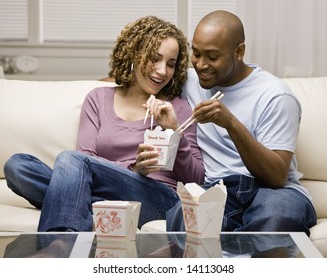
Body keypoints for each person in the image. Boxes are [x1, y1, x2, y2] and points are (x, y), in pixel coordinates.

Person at [3, 16, 204, 232]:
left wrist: (174, 131)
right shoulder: (98, 99)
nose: (162, 70)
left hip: (156, 198)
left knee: (70, 160)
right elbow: (86, 158)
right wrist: (134, 168)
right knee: (18, 166)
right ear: (134, 54)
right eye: (154, 59)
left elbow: (196, 178)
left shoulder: (176, 108)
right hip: (100, 188)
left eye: (170, 64)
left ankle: (60, 243)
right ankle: (84, 206)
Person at [166, 10, 317, 236]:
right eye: (195, 53)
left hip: (274, 192)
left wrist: (231, 123)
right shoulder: (191, 80)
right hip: (219, 189)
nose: (201, 64)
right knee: (183, 214)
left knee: (275, 217)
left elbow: (275, 177)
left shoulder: (275, 95)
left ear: (239, 52)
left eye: (212, 57)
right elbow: (141, 79)